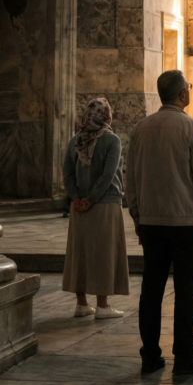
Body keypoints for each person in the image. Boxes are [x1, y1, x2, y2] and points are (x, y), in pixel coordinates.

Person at [125, 69, 193, 377]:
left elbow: (131, 178)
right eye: (188, 87)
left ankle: (150, 356)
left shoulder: (141, 128)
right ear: (182, 94)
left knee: (151, 291)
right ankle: (184, 357)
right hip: (186, 223)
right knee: (186, 291)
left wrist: (137, 216)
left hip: (152, 222)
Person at [62, 97, 129, 319]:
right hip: (105, 205)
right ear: (105, 116)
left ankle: (81, 304)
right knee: (104, 254)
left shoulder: (76, 140)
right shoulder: (112, 140)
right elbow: (108, 175)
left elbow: (67, 172)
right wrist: (91, 199)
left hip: (79, 207)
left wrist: (76, 197)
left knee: (79, 254)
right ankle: (102, 305)